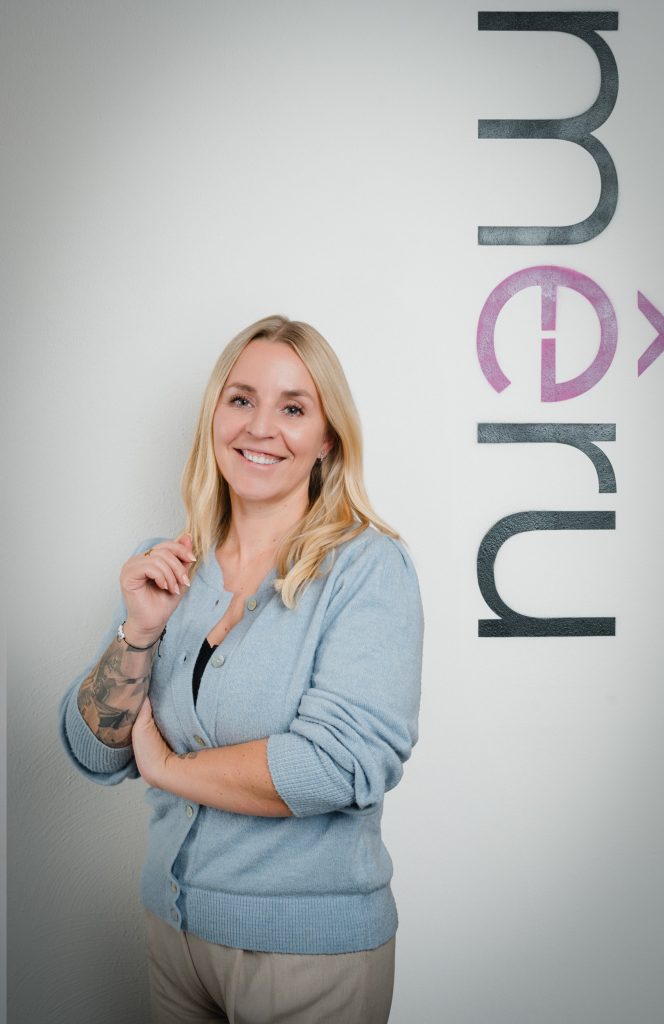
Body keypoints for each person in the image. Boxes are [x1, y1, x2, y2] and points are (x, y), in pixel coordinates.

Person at [59, 314, 424, 1023]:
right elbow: (94, 753)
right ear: (214, 417)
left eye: (293, 408)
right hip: (174, 936)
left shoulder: (366, 568)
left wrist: (167, 769)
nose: (261, 427)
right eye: (241, 399)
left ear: (327, 438)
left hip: (307, 958)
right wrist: (139, 630)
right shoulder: (170, 563)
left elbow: (340, 764)